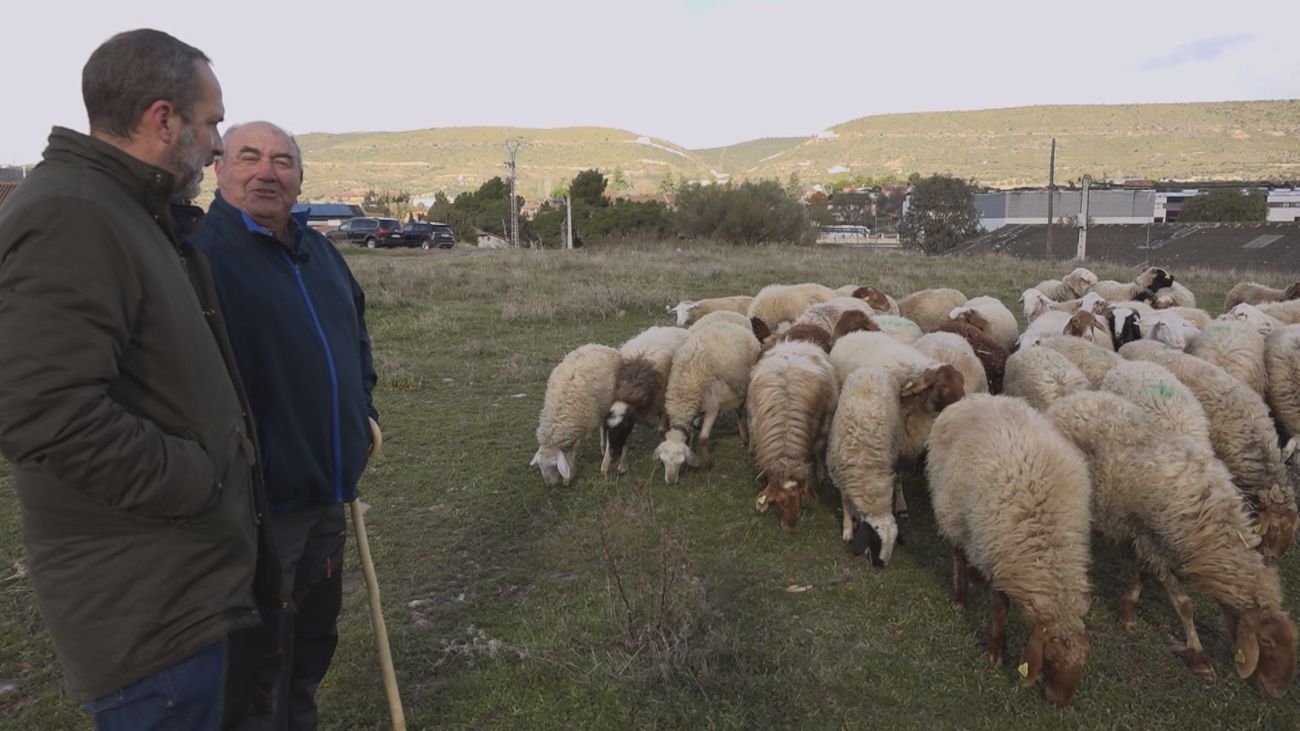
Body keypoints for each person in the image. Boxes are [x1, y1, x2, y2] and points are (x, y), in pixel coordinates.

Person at [0, 29, 281, 729]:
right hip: (148, 612)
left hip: (182, 584)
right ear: (163, 119)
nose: (218, 143)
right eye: (213, 122)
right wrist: (197, 477)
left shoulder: (128, 209)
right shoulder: (72, 214)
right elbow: (40, 410)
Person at [191, 121, 379, 730]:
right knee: (258, 661)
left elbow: (356, 339)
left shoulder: (319, 252)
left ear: (300, 178)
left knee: (312, 646)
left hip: (328, 491)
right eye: (249, 157)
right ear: (220, 169)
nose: (267, 172)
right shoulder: (201, 259)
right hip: (259, 508)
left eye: (283, 161)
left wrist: (363, 412)